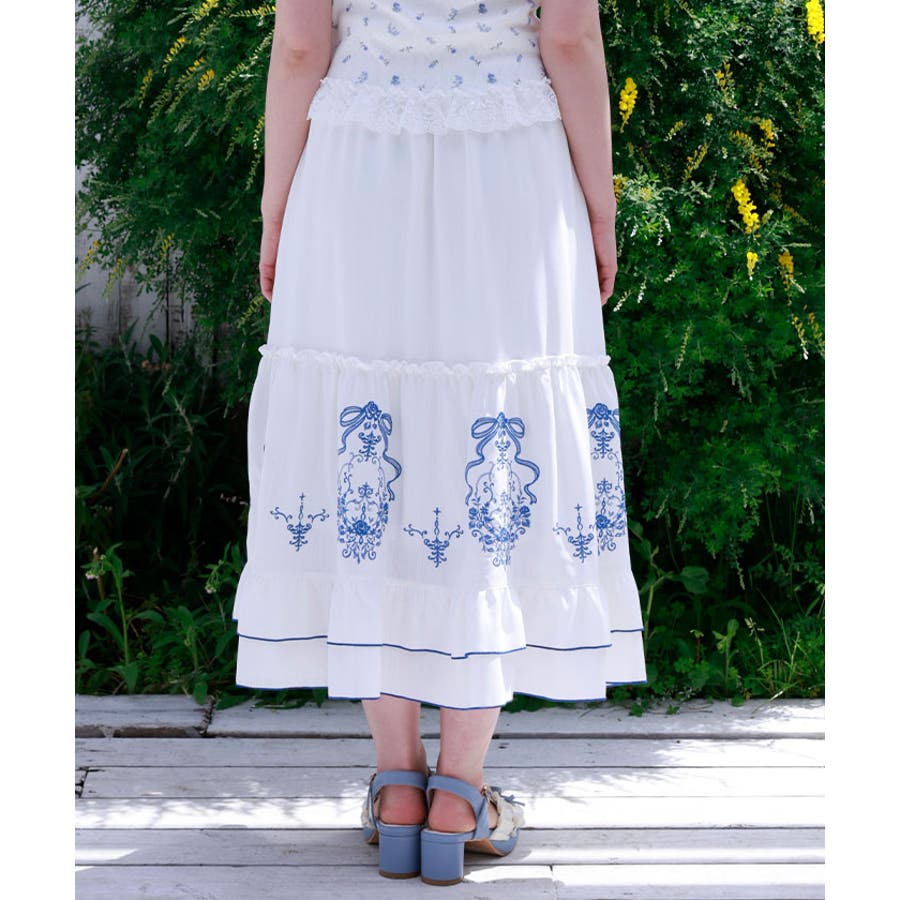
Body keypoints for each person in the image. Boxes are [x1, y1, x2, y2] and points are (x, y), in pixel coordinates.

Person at [233, 0, 647, 885]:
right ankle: (460, 793)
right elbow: (569, 38)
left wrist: (276, 208)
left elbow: (301, 43)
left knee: (371, 429)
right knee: (489, 431)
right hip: (510, 168)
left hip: (357, 162)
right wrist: (600, 207)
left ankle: (397, 788)